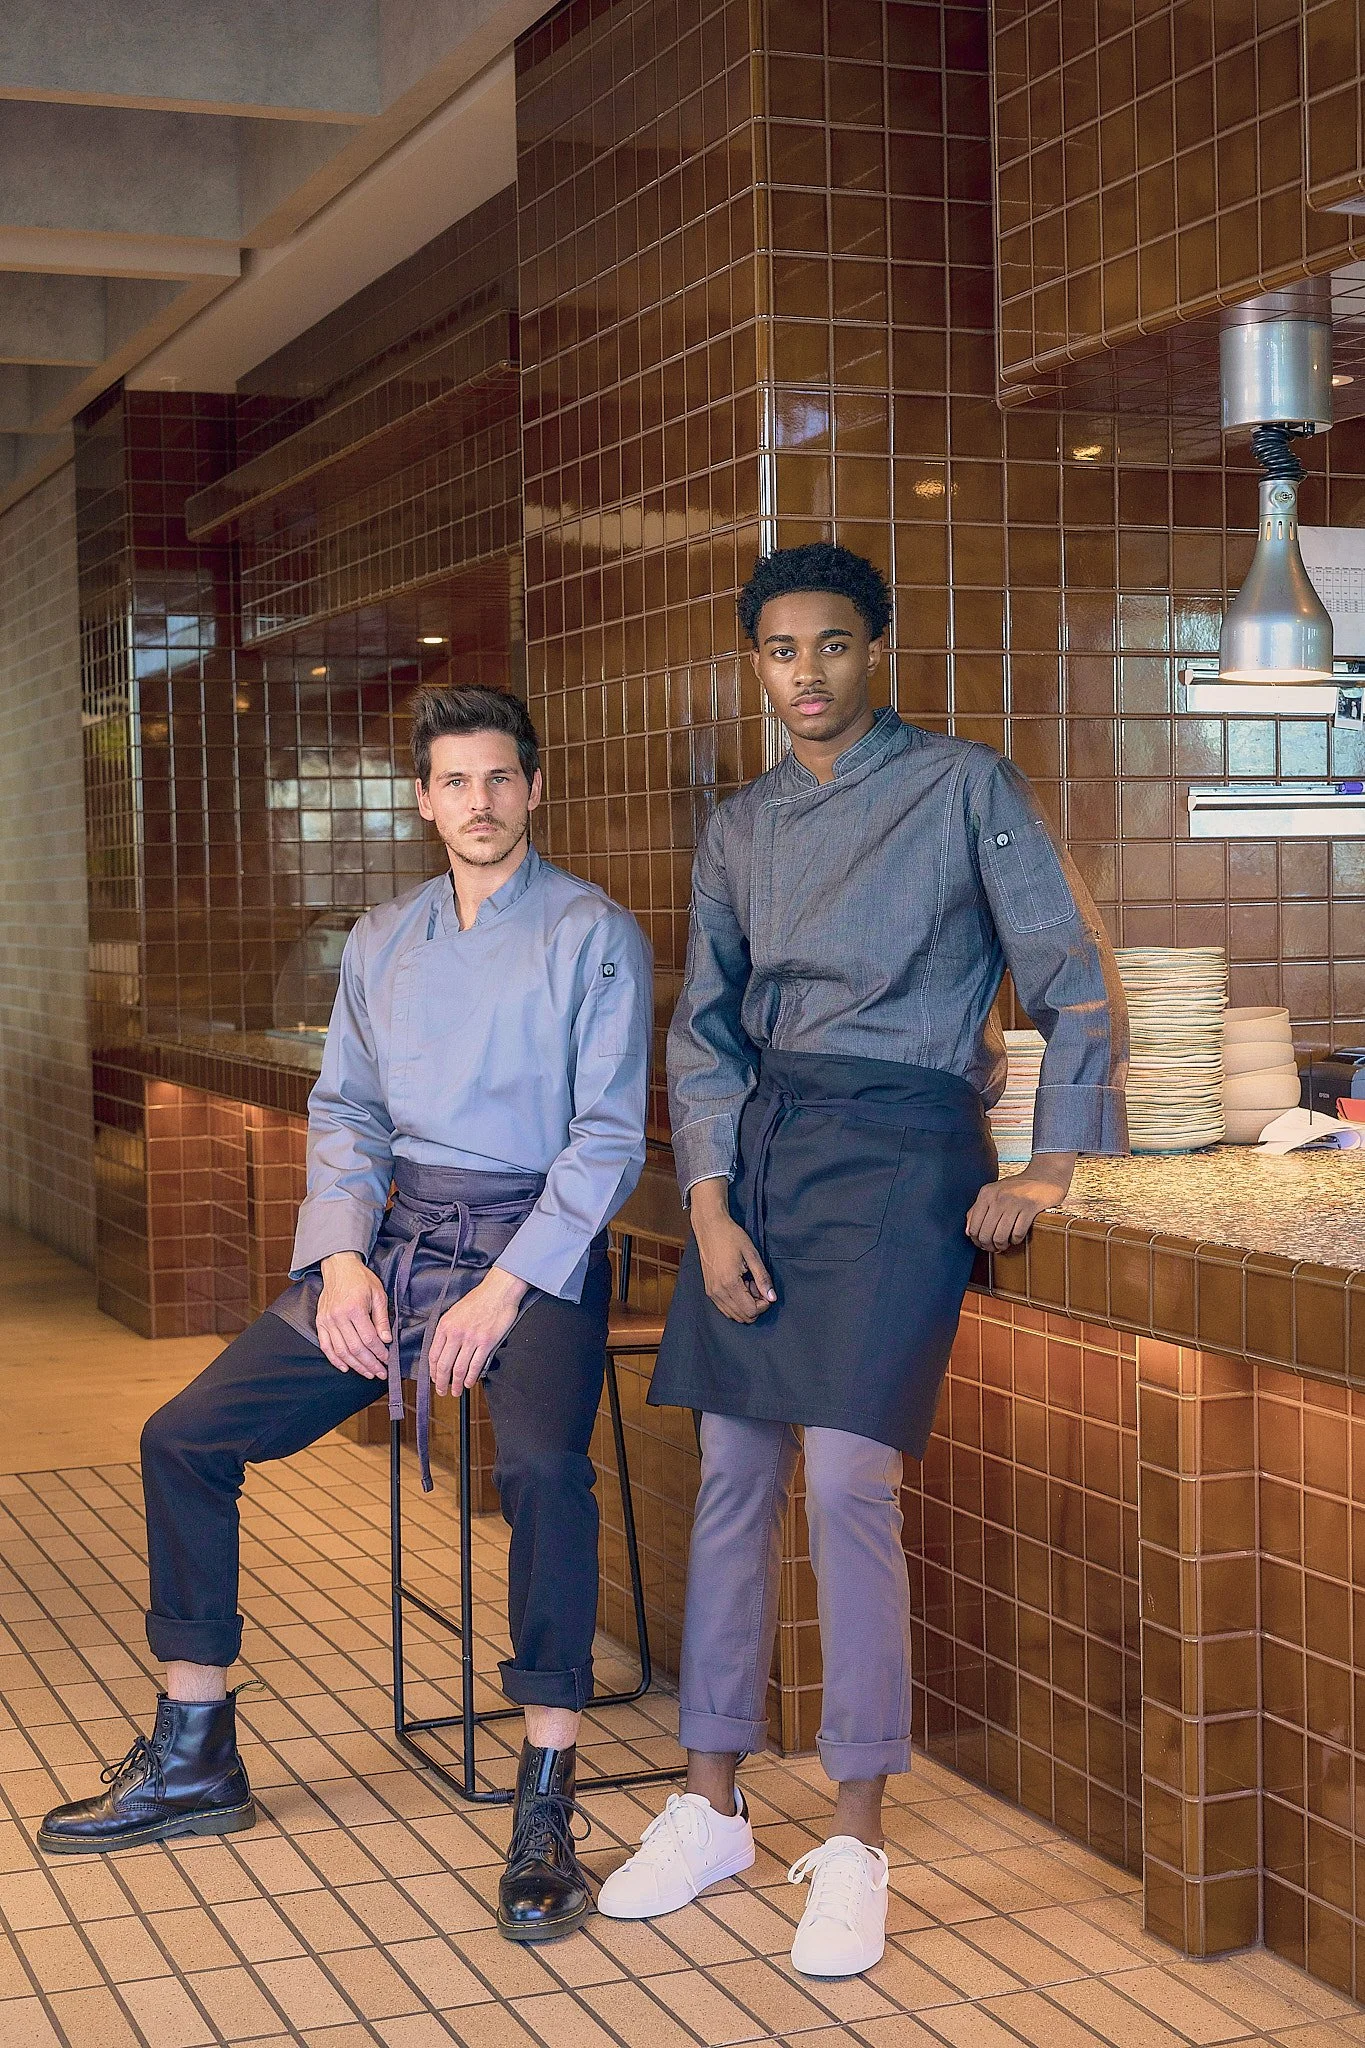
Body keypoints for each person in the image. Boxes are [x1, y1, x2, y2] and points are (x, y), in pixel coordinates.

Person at [39, 685, 652, 1945]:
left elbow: (607, 1138)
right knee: (185, 1436)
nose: (478, 802)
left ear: (533, 790)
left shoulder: (594, 933)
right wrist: (339, 1262)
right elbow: (349, 1116)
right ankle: (196, 1746)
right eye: (454, 782)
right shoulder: (380, 939)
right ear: (423, 800)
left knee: (543, 1469)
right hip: (393, 1243)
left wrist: (503, 1285)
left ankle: (547, 1796)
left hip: (535, 1250)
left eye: (499, 778)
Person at [598, 542, 1128, 1977]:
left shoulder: (965, 787)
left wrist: (1054, 1163)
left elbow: (1072, 980)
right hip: (767, 1159)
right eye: (781, 649)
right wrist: (706, 1203)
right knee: (730, 1470)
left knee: (844, 1478)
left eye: (834, 645)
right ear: (755, 663)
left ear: (872, 650)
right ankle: (708, 1805)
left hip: (905, 1151)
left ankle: (856, 1835)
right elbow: (702, 1030)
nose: (807, 674)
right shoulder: (738, 830)